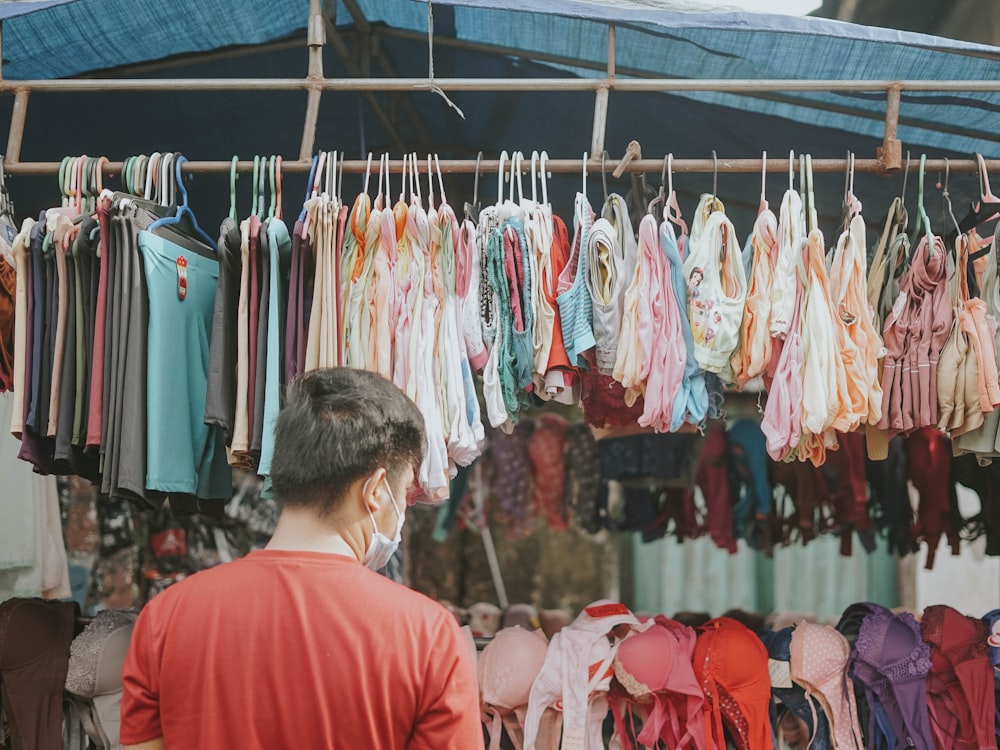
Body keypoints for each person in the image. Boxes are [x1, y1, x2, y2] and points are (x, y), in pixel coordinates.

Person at [121, 368, 483, 749]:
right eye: (406, 493)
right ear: (376, 490)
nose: (403, 511)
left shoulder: (164, 618)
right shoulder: (429, 637)